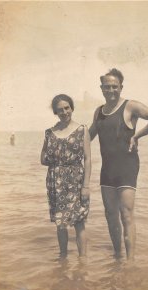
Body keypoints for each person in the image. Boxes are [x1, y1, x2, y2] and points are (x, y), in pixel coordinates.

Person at [89, 68, 148, 260]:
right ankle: (117, 257)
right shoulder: (99, 111)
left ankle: (130, 263)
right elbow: (89, 135)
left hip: (127, 168)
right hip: (107, 170)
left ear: (121, 87)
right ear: (101, 88)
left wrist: (136, 135)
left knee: (126, 214)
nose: (111, 90)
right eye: (107, 87)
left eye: (115, 87)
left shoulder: (130, 106)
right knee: (110, 214)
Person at [41, 94, 91, 259]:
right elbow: (43, 159)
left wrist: (85, 186)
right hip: (56, 181)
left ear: (72, 107)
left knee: (79, 222)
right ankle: (63, 259)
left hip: (76, 180)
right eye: (60, 110)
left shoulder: (82, 129)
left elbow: (88, 159)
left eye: (66, 108)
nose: (64, 112)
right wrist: (58, 161)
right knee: (60, 224)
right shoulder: (49, 132)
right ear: (55, 112)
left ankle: (82, 261)